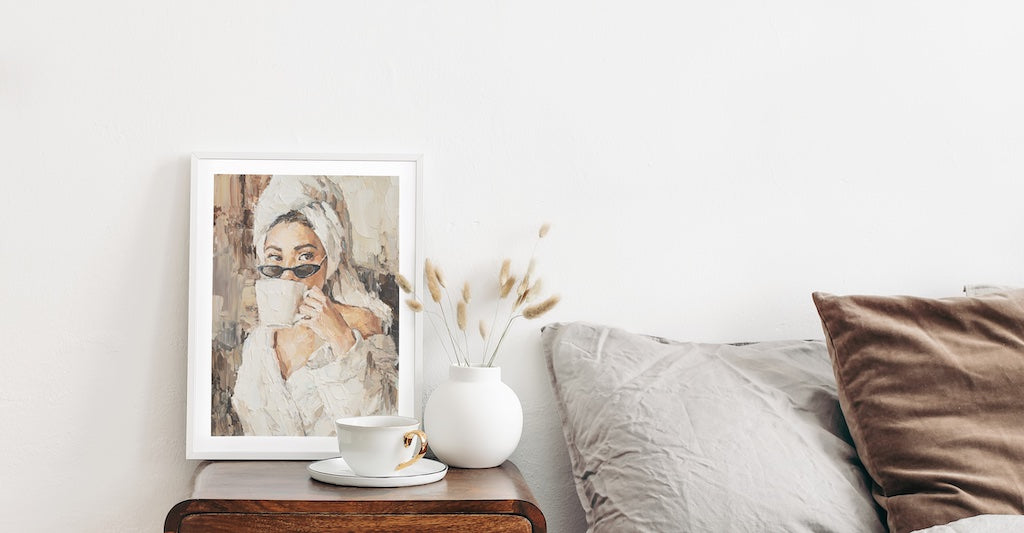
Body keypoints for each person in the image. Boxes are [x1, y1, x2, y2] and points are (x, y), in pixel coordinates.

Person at [231, 176, 398, 436]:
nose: (288, 275)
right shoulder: (258, 345)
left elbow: (380, 424)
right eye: (275, 258)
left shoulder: (363, 326)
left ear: (328, 261)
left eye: (305, 257)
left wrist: (341, 338)